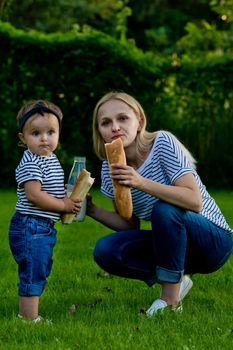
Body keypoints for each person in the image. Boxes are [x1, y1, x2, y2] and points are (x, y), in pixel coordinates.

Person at [87, 91, 233, 316]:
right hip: (172, 245)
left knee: (164, 209)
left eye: (123, 118)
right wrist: (91, 209)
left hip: (212, 241)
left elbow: (193, 201)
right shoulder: (110, 168)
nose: (115, 127)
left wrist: (141, 182)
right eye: (106, 123)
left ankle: (170, 300)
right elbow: (129, 225)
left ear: (140, 122)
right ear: (100, 132)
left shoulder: (162, 142)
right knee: (106, 250)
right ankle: (177, 278)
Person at [9, 100, 82, 323]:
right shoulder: (31, 161)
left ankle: (29, 314)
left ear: (59, 134)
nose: (44, 138)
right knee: (33, 269)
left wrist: (70, 197)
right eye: (36, 133)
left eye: (51, 132)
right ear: (23, 138)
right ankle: (28, 318)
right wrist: (63, 205)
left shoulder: (51, 159)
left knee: (40, 266)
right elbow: (34, 194)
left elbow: (53, 189)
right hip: (30, 225)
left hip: (42, 227)